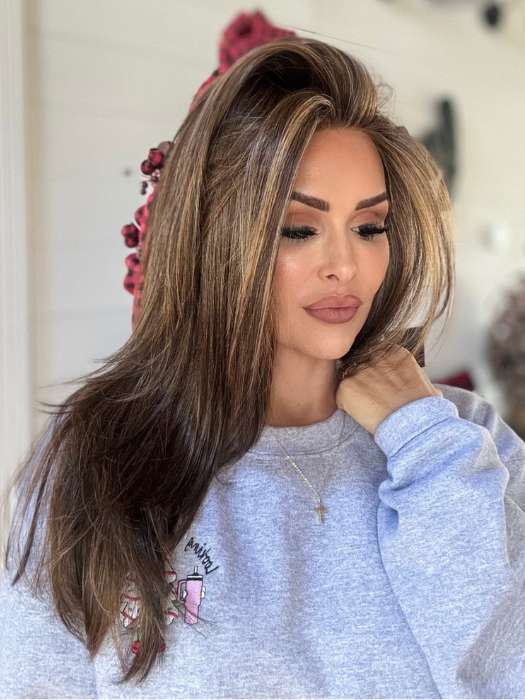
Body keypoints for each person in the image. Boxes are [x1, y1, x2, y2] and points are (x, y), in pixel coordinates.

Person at [1, 12, 525, 700]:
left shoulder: (462, 441)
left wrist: (424, 446)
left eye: (370, 226)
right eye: (298, 229)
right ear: (218, 239)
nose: (345, 265)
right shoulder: (98, 454)